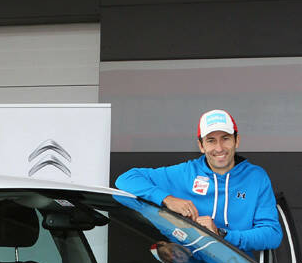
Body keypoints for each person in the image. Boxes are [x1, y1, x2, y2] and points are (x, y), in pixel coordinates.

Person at [115, 109, 282, 255]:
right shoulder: (186, 173)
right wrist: (168, 199)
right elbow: (126, 179)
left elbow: (272, 234)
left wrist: (221, 233)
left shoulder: (256, 177)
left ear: (236, 141)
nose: (219, 148)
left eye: (225, 138)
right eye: (211, 140)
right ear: (201, 146)